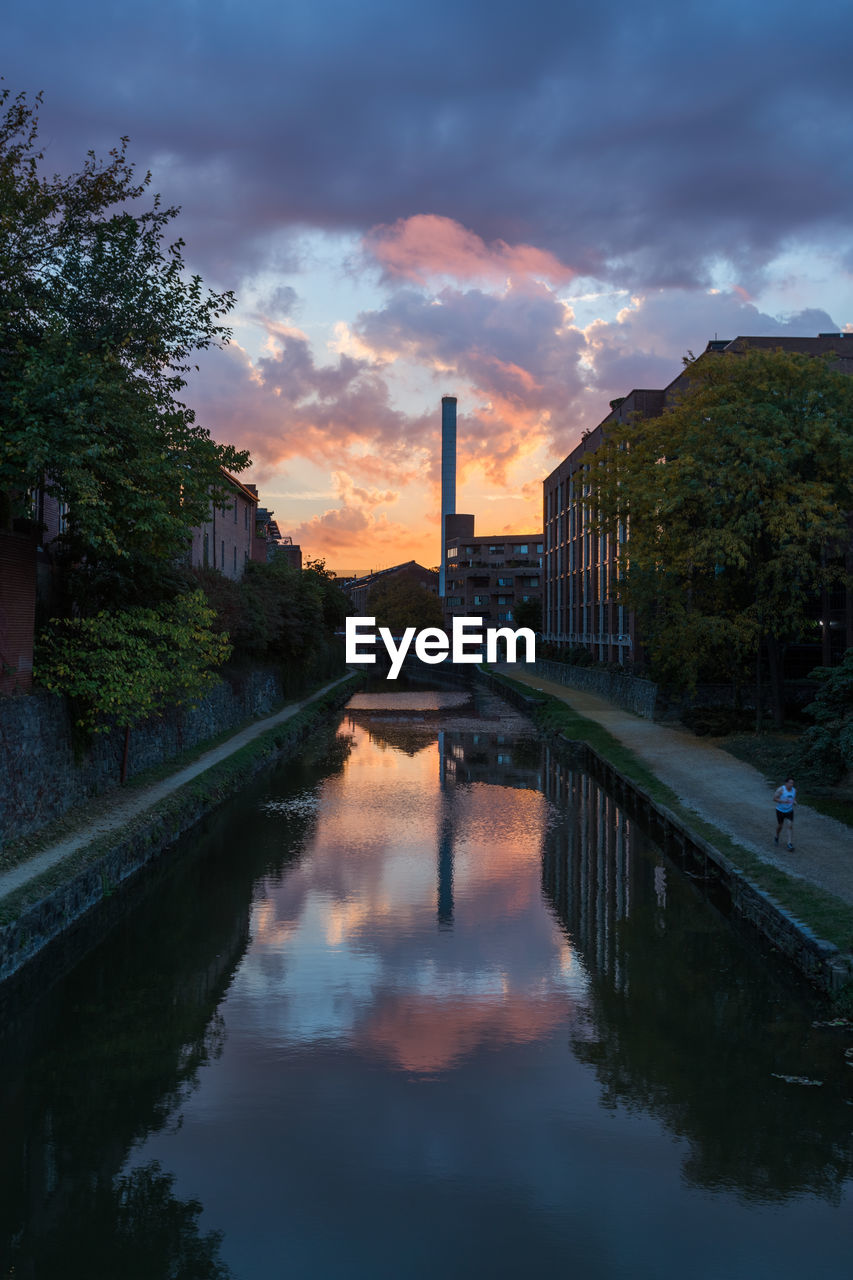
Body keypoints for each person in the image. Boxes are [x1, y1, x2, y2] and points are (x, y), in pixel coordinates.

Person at [773, 776, 797, 850]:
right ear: (786, 783)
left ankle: (789, 843)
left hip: (789, 810)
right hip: (780, 810)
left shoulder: (794, 790)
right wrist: (783, 801)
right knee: (780, 825)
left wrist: (795, 802)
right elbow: (774, 799)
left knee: (790, 825)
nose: (791, 784)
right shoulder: (781, 790)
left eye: (792, 783)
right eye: (790, 783)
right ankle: (776, 836)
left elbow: (793, 799)